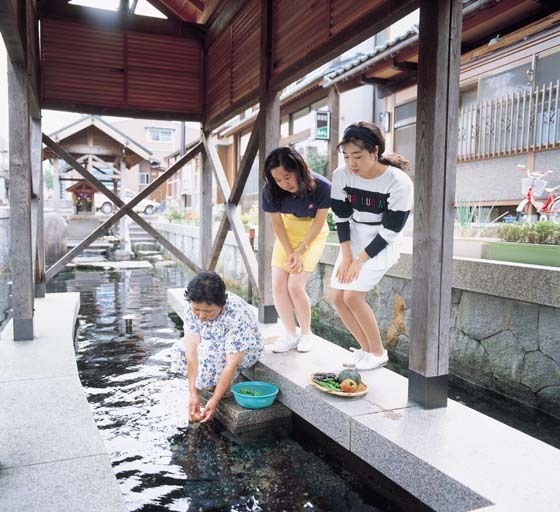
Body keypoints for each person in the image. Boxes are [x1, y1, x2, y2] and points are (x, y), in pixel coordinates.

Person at [330, 122, 413, 371]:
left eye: (357, 156)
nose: (351, 163)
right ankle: (365, 349)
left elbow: (390, 230)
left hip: (382, 240)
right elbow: (341, 217)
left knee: (353, 296)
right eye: (346, 157)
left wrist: (359, 260)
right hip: (354, 235)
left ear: (375, 152)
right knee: (337, 296)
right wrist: (347, 256)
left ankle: (378, 352)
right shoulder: (341, 175)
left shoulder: (398, 181)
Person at [261, 147, 331, 353]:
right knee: (278, 284)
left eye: (287, 177)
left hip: (312, 235)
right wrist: (291, 251)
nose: (284, 184)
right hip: (286, 236)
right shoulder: (270, 191)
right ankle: (290, 333)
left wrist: (301, 251)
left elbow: (319, 223)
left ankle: (307, 334)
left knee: (295, 285)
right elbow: (278, 225)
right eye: (278, 179)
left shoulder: (322, 187)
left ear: (299, 170)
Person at [171, 272, 264, 423]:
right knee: (179, 349)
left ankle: (224, 386)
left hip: (245, 351)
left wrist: (215, 400)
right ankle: (211, 383)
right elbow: (191, 351)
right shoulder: (191, 307)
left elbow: (233, 362)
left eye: (208, 311)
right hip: (211, 341)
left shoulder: (236, 313)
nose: (201, 316)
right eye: (197, 310)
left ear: (222, 304)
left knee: (209, 354)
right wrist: (193, 394)